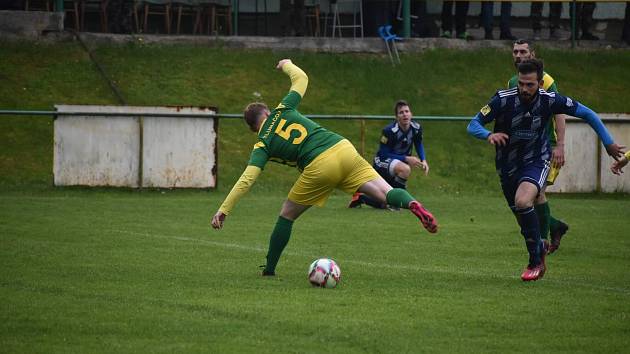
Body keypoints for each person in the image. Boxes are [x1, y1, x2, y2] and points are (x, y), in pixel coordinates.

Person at [211, 59, 438, 276]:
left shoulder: (262, 144)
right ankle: (413, 204)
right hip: (342, 148)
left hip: (319, 166)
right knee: (385, 192)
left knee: (287, 214)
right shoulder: (283, 109)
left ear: (253, 128)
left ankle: (269, 269)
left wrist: (224, 209)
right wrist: (286, 65)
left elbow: (247, 179)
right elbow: (301, 78)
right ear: (268, 112)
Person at [467, 58, 625, 281]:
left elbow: (588, 113)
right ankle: (542, 243)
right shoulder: (502, 100)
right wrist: (488, 134)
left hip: (536, 160)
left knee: (524, 201)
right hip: (507, 165)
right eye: (521, 83)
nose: (524, 88)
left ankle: (536, 262)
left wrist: (608, 143)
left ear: (540, 83)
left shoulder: (551, 101)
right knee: (523, 220)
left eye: (530, 84)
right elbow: (473, 124)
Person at [508, 39, 567, 254]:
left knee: (534, 193)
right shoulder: (513, 81)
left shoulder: (546, 81)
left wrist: (559, 145)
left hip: (545, 148)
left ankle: (542, 240)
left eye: (523, 51)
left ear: (532, 54)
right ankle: (553, 227)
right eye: (515, 51)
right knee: (525, 198)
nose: (518, 55)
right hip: (524, 150)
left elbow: (559, 111)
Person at [348, 100, 428, 209]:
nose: (405, 114)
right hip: (381, 162)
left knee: (383, 203)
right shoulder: (389, 131)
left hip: (396, 164)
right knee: (405, 169)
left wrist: (423, 160)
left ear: (411, 114)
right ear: (396, 117)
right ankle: (397, 204)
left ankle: (361, 198)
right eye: (401, 112)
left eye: (407, 111)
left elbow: (418, 143)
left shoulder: (416, 128)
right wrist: (406, 158)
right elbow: (383, 153)